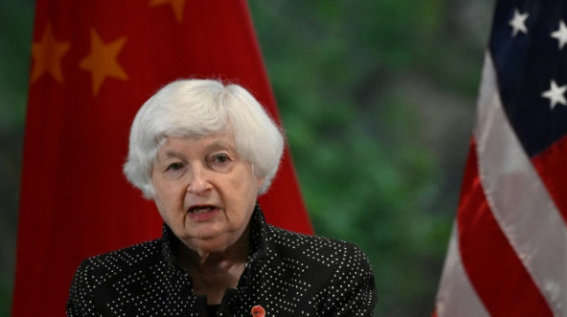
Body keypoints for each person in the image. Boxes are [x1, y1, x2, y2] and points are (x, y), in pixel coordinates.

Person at [66, 78, 377, 316]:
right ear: (151, 183)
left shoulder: (332, 272)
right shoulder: (102, 286)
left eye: (219, 159)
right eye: (175, 166)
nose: (198, 184)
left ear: (257, 169)